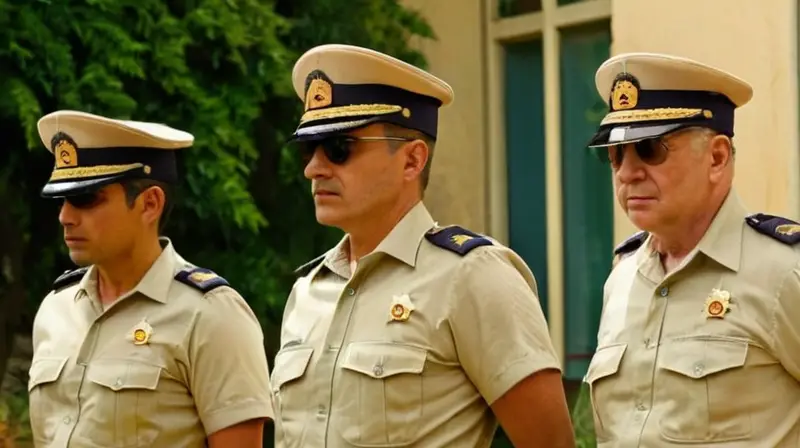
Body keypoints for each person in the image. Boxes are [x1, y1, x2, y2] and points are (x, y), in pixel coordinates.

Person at [270, 44, 575, 448]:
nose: (314, 167)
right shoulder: (308, 292)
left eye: (339, 148)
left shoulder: (472, 276)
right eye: (310, 149)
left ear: (412, 161)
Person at [584, 52, 800, 447]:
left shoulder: (783, 272)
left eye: (650, 149)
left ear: (717, 158)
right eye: (615, 154)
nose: (627, 172)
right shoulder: (622, 279)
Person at [27, 110, 273, 447]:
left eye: (86, 199)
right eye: (64, 199)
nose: (66, 216)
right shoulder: (55, 310)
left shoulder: (211, 315)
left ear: (149, 204)